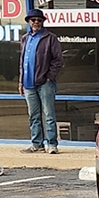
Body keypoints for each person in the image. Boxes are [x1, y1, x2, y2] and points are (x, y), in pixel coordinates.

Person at [18, 8, 64, 154]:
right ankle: (37, 144)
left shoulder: (50, 38)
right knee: (33, 116)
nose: (36, 22)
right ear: (29, 22)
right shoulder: (25, 38)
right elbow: (22, 62)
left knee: (49, 115)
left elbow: (58, 60)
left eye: (39, 20)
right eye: (33, 20)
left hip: (45, 83)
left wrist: (49, 76)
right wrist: (20, 82)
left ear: (43, 22)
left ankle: (52, 145)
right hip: (28, 84)